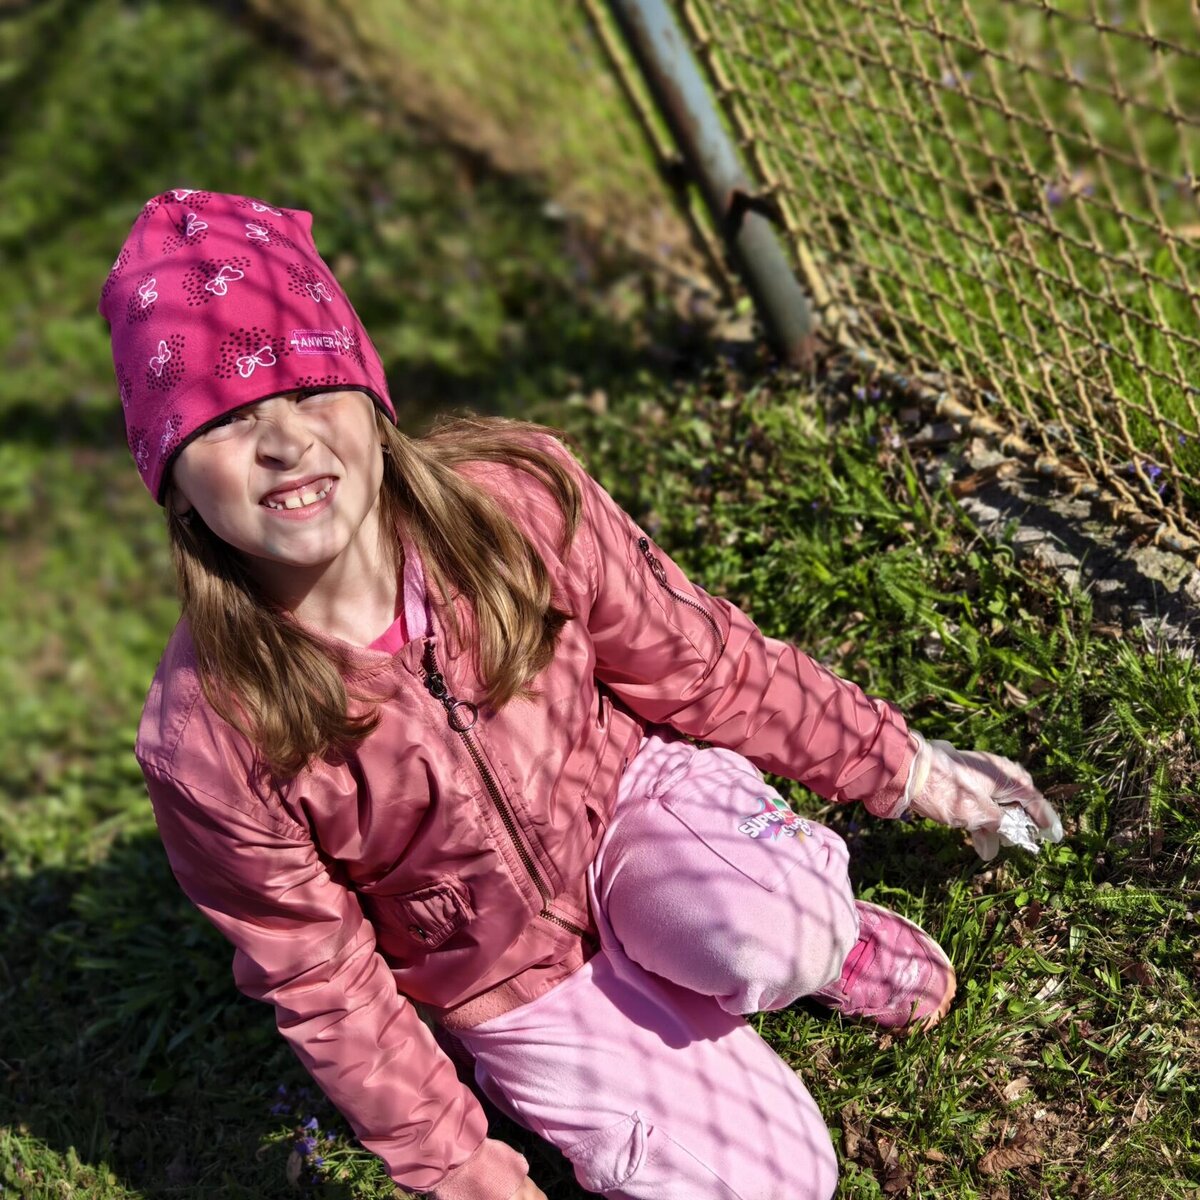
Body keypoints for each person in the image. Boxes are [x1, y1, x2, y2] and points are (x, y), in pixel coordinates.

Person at [97, 189, 1063, 1200]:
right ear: (173, 483)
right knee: (774, 1182)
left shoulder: (515, 506)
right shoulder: (209, 735)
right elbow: (322, 977)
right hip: (501, 975)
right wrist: (457, 1166)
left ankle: (825, 948)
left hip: (634, 809)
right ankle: (606, 1041)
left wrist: (905, 767)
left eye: (308, 388)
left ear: (373, 403)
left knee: (775, 921)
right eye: (227, 417)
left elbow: (707, 662)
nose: (286, 442)